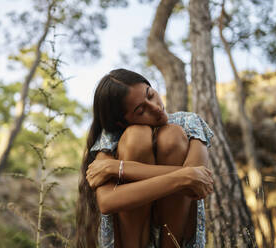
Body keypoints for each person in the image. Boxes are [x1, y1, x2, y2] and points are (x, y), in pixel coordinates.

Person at [76, 68, 214, 248]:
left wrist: (118, 168)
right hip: (131, 237)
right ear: (122, 122)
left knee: (172, 134)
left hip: (176, 234)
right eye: (141, 110)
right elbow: (107, 202)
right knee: (136, 136)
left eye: (150, 95)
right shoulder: (111, 137)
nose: (156, 108)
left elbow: (197, 185)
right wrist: (184, 177)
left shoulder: (190, 123)